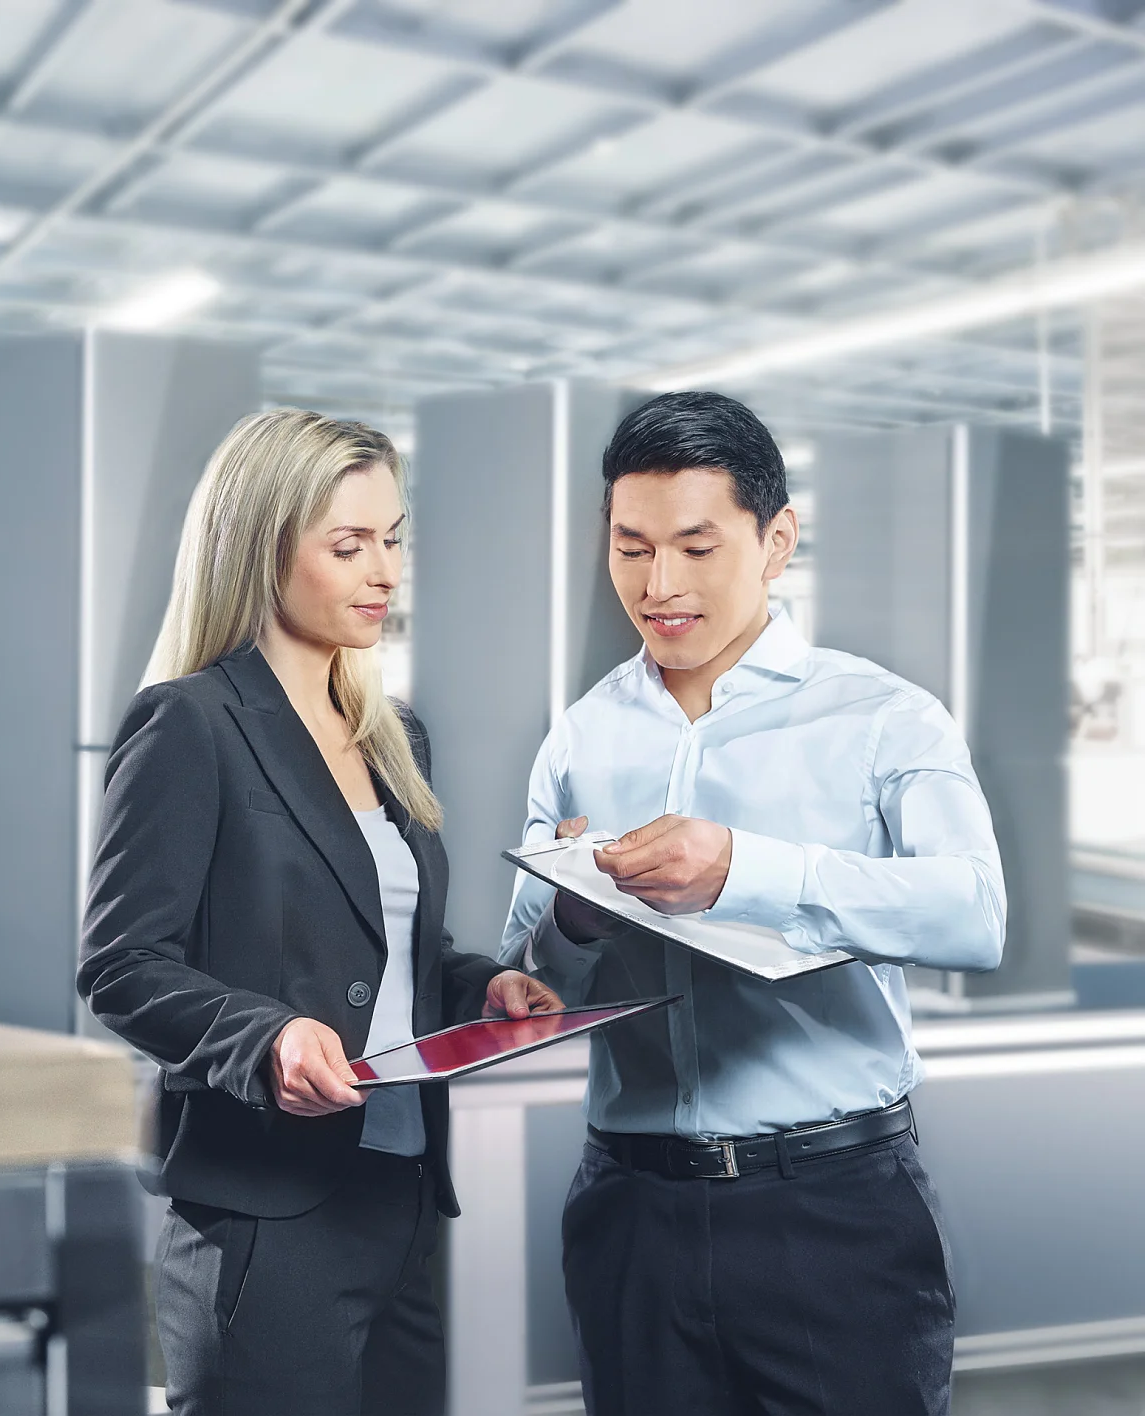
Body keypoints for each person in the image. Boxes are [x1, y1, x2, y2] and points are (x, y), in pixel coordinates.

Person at [503, 391, 1005, 1416]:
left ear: (775, 542)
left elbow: (972, 911)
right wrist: (576, 915)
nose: (658, 584)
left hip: (831, 1211)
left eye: (695, 546)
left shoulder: (881, 716)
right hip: (629, 1207)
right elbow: (535, 973)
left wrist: (748, 871)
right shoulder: (580, 738)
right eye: (631, 547)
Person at [80, 408, 560, 1416]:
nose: (383, 571)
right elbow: (121, 964)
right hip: (265, 1210)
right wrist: (266, 1039)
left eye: (393, 540)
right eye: (348, 546)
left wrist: (483, 986)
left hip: (399, 1193)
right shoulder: (190, 724)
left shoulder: (394, 736)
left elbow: (394, 951)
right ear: (261, 550)